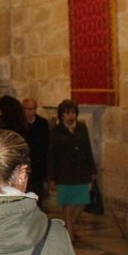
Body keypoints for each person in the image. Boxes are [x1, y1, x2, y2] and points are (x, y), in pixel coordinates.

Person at [47, 100, 97, 243]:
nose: (71, 116)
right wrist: (52, 176)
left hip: (81, 169)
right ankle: (69, 231)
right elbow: (52, 154)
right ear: (61, 115)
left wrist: (92, 169)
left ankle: (69, 226)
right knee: (67, 202)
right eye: (67, 113)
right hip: (64, 171)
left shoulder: (82, 128)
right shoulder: (56, 131)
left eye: (73, 112)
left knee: (82, 201)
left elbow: (88, 149)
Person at [23, 98, 51, 207]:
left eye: (33, 109)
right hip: (24, 165)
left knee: (37, 193)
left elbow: (46, 145)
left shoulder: (42, 123)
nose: (30, 112)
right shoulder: (20, 123)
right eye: (28, 109)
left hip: (38, 165)